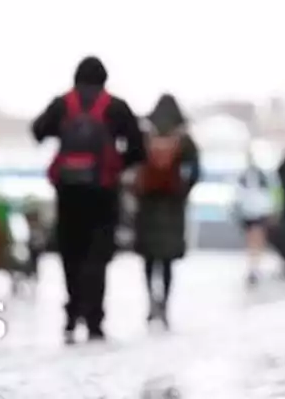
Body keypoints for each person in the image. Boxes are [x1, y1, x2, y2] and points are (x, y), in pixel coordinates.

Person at [31, 56, 145, 343]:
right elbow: (138, 148)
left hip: (68, 191)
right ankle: (94, 317)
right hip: (103, 191)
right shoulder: (115, 107)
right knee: (98, 253)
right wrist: (117, 164)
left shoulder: (63, 104)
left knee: (70, 251)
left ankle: (72, 313)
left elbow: (37, 131)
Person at [133, 94, 200, 327]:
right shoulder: (184, 140)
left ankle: (151, 301)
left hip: (147, 206)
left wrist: (136, 192)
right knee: (168, 261)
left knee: (149, 259)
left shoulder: (144, 137)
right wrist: (183, 191)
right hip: (173, 207)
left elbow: (132, 167)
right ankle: (166, 305)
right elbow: (196, 172)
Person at [233, 152, 280, 285]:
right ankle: (254, 265)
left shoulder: (263, 175)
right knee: (256, 238)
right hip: (255, 211)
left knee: (255, 238)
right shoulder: (255, 175)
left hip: (255, 210)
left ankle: (254, 266)